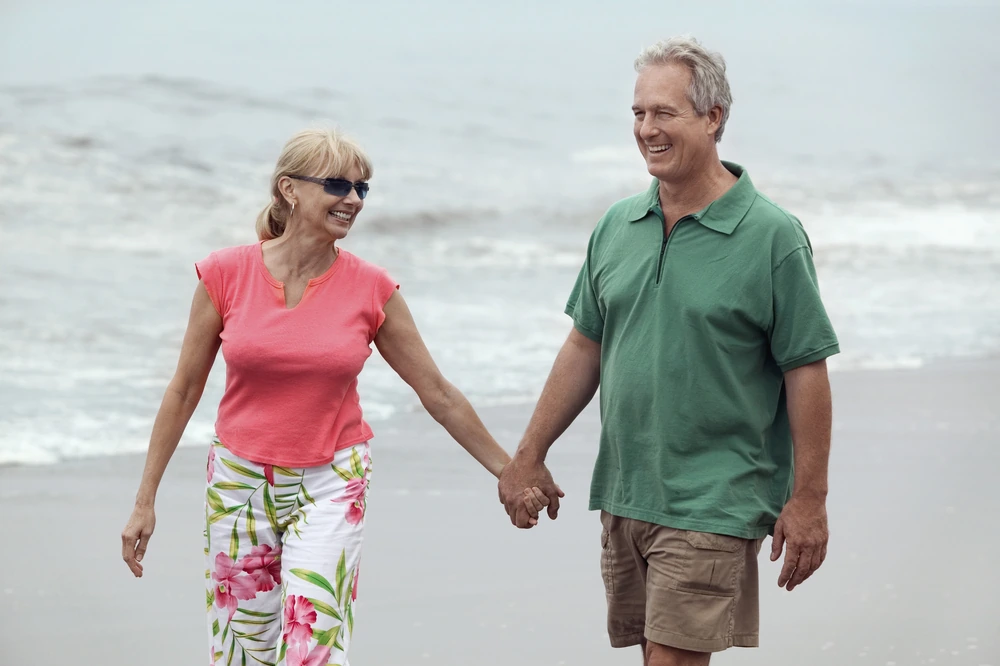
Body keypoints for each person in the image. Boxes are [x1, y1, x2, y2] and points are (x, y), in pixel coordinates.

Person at [120, 128, 544, 666]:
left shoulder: (372, 289)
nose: (353, 200)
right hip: (239, 481)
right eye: (339, 185)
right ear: (289, 190)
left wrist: (510, 471)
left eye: (362, 189)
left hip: (332, 479)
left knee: (310, 649)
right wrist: (144, 500)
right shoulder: (225, 274)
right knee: (241, 651)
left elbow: (437, 393)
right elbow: (183, 390)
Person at [498, 36, 840, 666]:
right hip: (627, 491)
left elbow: (806, 368)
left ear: (713, 119)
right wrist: (528, 454)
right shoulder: (616, 225)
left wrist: (810, 498)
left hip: (716, 496)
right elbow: (584, 345)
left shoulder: (772, 236)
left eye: (664, 113)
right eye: (638, 114)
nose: (646, 130)